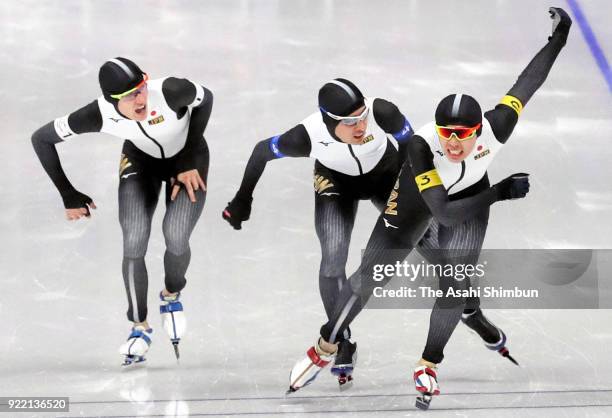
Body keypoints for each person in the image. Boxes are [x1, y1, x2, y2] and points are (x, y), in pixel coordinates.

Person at [288, 7, 572, 408]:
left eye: (462, 135)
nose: (453, 144)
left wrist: (558, 40)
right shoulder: (422, 146)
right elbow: (441, 214)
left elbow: (528, 82)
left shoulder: (498, 125)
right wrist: (500, 192)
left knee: (454, 283)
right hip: (417, 203)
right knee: (372, 276)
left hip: (471, 198)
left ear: (480, 130)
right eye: (446, 134)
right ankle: (326, 344)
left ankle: (428, 363)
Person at [222, 78, 414, 386]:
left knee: (430, 242)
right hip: (337, 184)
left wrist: (412, 192)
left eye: (362, 116)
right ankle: (343, 342)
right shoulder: (305, 136)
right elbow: (261, 151)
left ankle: (469, 309)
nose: (360, 125)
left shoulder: (383, 112)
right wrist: (243, 199)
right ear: (327, 121)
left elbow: (410, 145)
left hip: (385, 175)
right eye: (349, 121)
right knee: (332, 260)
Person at [31, 57, 213, 365]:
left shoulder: (170, 91)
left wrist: (190, 157)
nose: (139, 99)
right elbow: (42, 139)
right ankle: (139, 327)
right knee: (134, 239)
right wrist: (68, 193)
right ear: (111, 101)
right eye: (129, 96)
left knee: (177, 235)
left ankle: (171, 295)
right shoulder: (97, 113)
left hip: (188, 159)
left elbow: (206, 99)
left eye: (140, 89)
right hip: (140, 163)